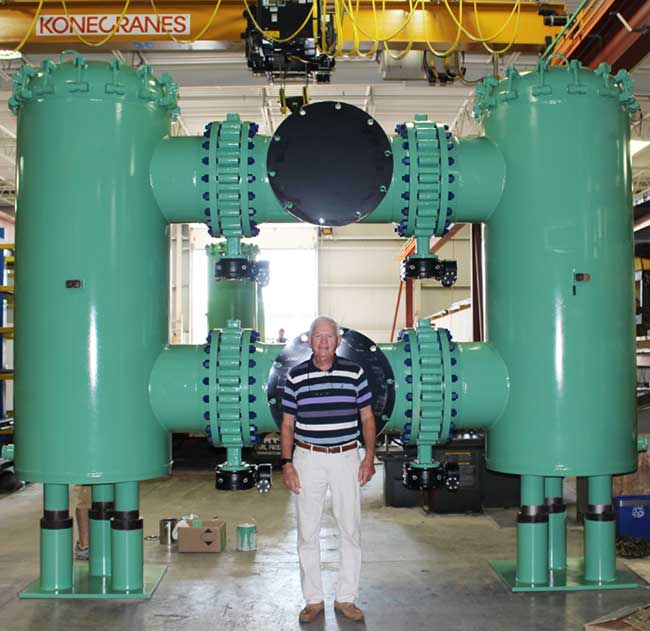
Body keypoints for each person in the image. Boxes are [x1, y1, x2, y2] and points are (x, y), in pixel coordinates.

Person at [280, 316, 376, 623]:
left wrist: (368, 457)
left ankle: (346, 598)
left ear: (338, 341)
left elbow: (367, 416)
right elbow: (287, 423)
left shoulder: (354, 372)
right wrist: (287, 463)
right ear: (309, 340)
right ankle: (313, 600)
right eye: (318, 336)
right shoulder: (296, 376)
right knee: (307, 531)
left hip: (346, 457)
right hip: (307, 458)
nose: (323, 342)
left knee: (350, 529)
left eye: (329, 336)